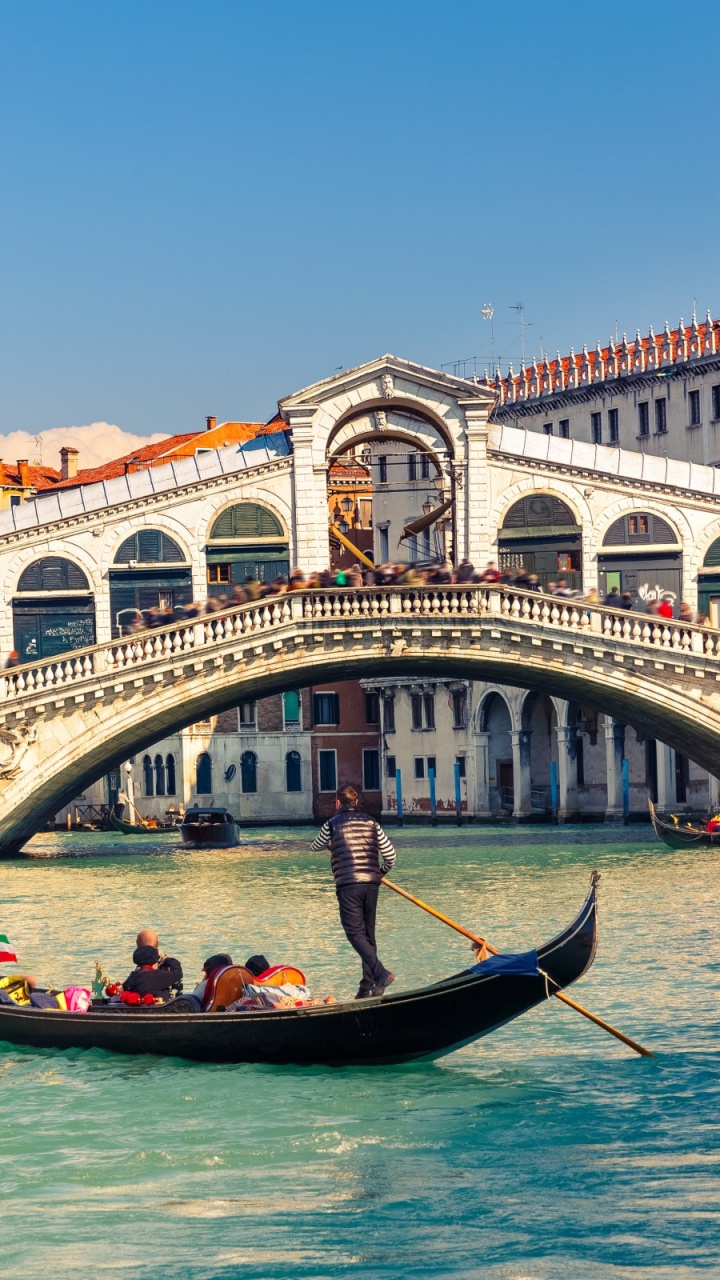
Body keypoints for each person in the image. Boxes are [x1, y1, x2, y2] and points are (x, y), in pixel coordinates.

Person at [310, 784, 396, 999]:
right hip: (371, 884)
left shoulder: (331, 824)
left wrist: (330, 843)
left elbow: (315, 846)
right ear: (356, 803)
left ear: (337, 803)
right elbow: (390, 856)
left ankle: (380, 973)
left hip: (348, 885)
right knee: (367, 935)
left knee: (355, 933)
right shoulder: (372, 823)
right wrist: (381, 872)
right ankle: (368, 986)